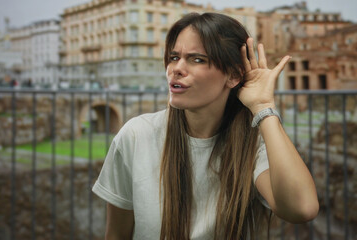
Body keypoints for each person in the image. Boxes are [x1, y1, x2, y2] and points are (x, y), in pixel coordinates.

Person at [92, 12, 319, 240]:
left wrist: (263, 107)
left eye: (197, 59)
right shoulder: (135, 135)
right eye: (173, 57)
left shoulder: (253, 144)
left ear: (233, 76)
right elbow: (116, 234)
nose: (177, 68)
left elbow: (302, 208)